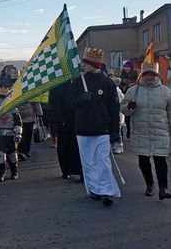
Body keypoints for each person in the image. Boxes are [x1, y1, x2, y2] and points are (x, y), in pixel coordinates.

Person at [67, 48, 121, 207]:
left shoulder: (107, 82)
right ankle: (94, 190)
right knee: (88, 162)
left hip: (102, 129)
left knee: (103, 161)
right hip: (83, 130)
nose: (83, 65)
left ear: (93, 64)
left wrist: (114, 132)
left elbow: (114, 109)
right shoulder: (78, 82)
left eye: (85, 63)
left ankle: (106, 192)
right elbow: (70, 103)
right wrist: (82, 99)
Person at [121, 61, 171, 200]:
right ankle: (149, 184)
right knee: (144, 160)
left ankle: (163, 188)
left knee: (161, 160)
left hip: (160, 131)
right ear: (142, 75)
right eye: (147, 74)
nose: (150, 77)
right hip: (141, 130)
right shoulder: (133, 91)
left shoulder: (166, 92)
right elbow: (124, 109)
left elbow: (170, 114)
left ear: (157, 75)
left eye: (152, 74)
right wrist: (129, 107)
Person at [49, 81, 83, 180]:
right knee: (64, 145)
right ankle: (66, 170)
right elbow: (55, 102)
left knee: (78, 146)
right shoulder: (59, 84)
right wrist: (60, 119)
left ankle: (79, 170)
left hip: (78, 119)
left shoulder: (81, 82)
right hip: (64, 120)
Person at [0, 87, 22, 182]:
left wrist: (18, 135)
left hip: (11, 135)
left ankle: (14, 172)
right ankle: (1, 173)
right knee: (0, 155)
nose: (2, 100)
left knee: (12, 155)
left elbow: (18, 123)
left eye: (4, 97)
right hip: (0, 136)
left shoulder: (14, 110)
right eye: (0, 98)